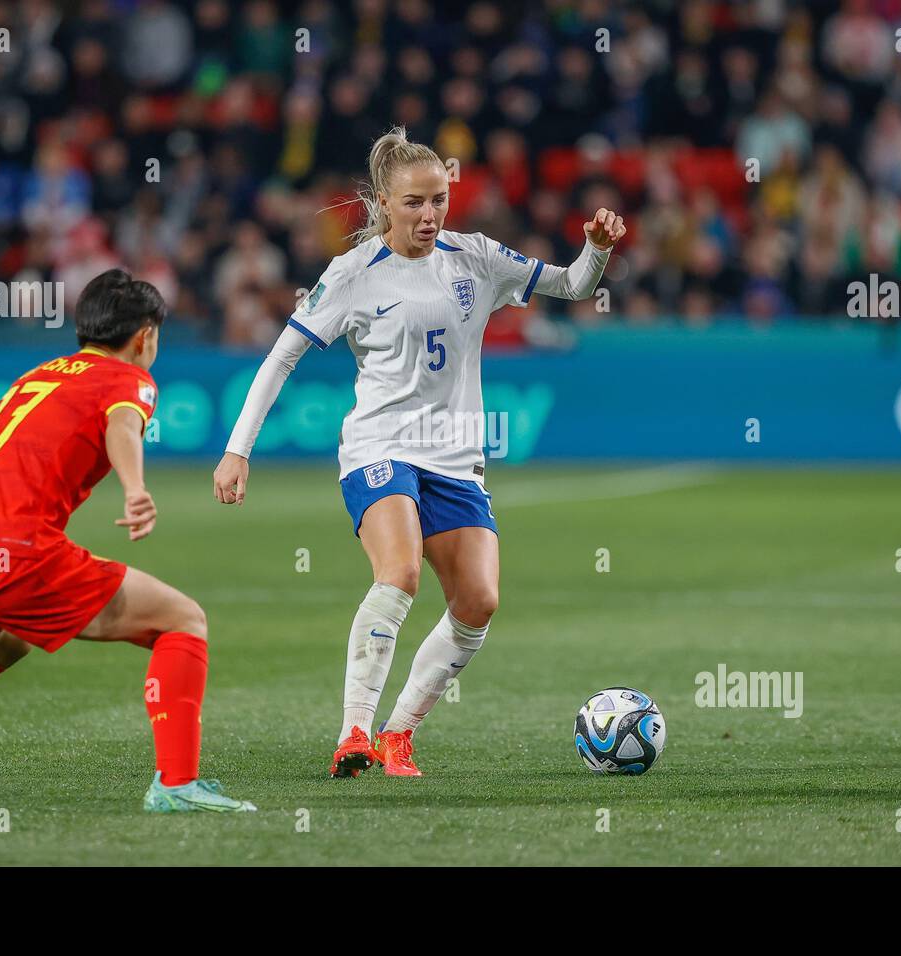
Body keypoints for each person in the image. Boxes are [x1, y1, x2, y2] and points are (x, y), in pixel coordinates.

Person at [212, 127, 625, 777]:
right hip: (379, 445)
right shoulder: (352, 274)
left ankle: (398, 732)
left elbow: (573, 285)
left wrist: (595, 251)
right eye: (413, 203)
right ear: (382, 204)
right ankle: (353, 730)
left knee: (478, 602)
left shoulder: (476, 257)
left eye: (438, 200)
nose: (429, 215)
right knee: (399, 572)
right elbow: (281, 356)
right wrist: (239, 450)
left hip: (455, 457)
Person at [0, 269, 254, 813]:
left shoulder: (33, 379)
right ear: (145, 336)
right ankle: (177, 784)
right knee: (183, 620)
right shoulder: (128, 378)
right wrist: (134, 489)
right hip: (8, 554)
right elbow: (123, 428)